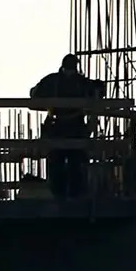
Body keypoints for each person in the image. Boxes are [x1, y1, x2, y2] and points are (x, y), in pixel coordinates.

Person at [30, 54, 105, 199]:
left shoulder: (71, 81)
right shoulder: (54, 81)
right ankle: (62, 194)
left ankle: (73, 195)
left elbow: (97, 91)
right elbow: (35, 94)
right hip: (60, 125)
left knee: (74, 162)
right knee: (59, 162)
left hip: (70, 125)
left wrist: (98, 88)